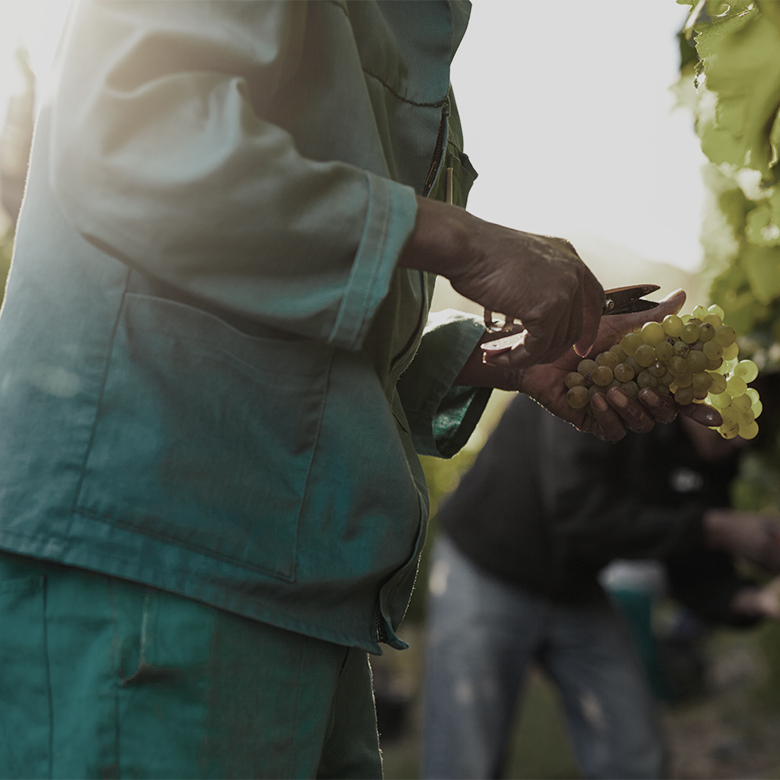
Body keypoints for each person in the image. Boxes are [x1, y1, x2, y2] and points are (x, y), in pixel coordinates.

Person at [0, 2, 720, 778]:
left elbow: (296, 318)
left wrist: (497, 362)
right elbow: (132, 140)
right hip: (152, 568)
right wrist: (459, 239)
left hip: (281, 584)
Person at [422, 392, 780, 780]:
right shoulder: (610, 382)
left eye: (754, 430)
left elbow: (692, 563)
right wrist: (712, 527)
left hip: (575, 586)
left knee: (636, 754)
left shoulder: (718, 449)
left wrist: (759, 599)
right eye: (738, 424)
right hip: (486, 566)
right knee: (465, 760)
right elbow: (577, 514)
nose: (743, 440)